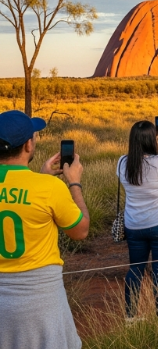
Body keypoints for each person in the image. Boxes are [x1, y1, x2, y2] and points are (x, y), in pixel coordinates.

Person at [0, 110, 89, 349]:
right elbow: (80, 231)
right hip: (41, 303)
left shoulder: (43, 184)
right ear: (28, 145)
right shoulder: (48, 187)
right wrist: (74, 183)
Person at [118, 120, 158, 320]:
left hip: (134, 224)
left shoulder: (122, 162)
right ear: (152, 139)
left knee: (135, 269)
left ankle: (130, 316)